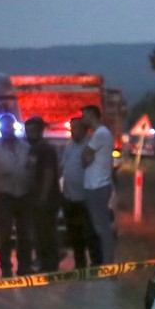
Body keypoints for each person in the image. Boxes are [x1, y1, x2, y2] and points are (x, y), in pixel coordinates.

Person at [0, 113, 33, 277]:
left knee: (24, 233)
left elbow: (31, 168)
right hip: (4, 195)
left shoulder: (25, 146)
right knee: (5, 233)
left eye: (9, 126)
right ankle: (5, 267)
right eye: (3, 126)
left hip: (24, 195)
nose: (7, 130)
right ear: (0, 128)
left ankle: (24, 266)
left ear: (14, 127)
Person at [24, 116, 61, 273]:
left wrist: (44, 195)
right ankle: (43, 259)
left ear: (40, 131)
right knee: (38, 231)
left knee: (46, 231)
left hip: (46, 197)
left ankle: (50, 263)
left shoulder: (46, 149)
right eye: (27, 131)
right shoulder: (32, 148)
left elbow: (49, 173)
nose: (29, 134)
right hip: (34, 196)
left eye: (32, 131)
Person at [80, 104, 115, 264]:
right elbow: (86, 157)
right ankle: (103, 262)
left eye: (84, 116)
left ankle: (108, 264)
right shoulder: (99, 134)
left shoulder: (101, 134)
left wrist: (86, 156)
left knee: (102, 228)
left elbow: (85, 158)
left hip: (98, 186)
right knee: (99, 227)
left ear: (91, 115)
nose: (83, 120)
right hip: (94, 186)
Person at [60, 116, 96, 268]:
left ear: (84, 129)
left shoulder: (91, 145)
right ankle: (79, 264)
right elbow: (64, 167)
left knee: (90, 233)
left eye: (76, 128)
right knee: (75, 234)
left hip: (86, 198)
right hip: (70, 197)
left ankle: (95, 264)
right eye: (71, 128)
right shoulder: (69, 146)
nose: (72, 131)